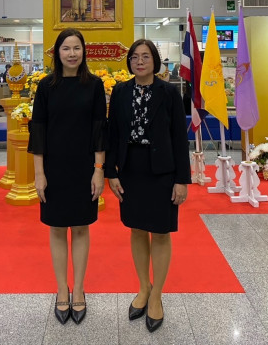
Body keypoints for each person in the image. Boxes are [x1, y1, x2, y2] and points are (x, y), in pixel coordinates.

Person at [106, 39, 191, 333]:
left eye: (145, 56)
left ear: (155, 61)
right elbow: (113, 133)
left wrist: (182, 179)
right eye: (134, 57)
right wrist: (111, 172)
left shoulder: (169, 92)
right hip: (131, 170)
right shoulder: (120, 91)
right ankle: (144, 287)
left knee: (161, 232)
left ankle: (157, 296)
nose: (140, 61)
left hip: (162, 171)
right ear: (129, 62)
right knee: (137, 229)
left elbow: (179, 137)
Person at [28, 28, 107, 325]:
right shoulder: (46, 86)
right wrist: (39, 174)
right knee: (58, 228)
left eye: (76, 48)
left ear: (83, 51)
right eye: (66, 48)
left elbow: (100, 129)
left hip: (84, 166)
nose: (72, 54)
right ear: (57, 53)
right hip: (54, 167)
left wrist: (98, 170)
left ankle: (80, 289)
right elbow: (38, 130)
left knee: (82, 228)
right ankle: (62, 288)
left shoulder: (95, 85)